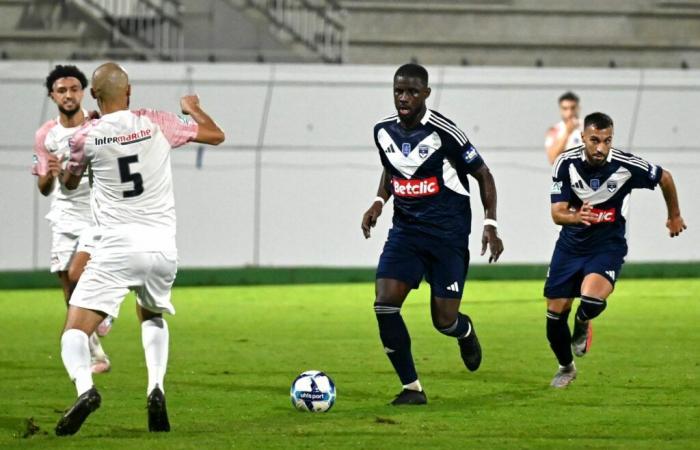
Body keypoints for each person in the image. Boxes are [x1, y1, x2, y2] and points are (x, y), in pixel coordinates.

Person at [55, 62, 225, 436]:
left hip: (117, 248)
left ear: (93, 97)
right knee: (150, 316)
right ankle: (156, 388)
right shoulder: (156, 122)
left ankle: (86, 391)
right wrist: (193, 108)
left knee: (74, 332)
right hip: (163, 249)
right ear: (129, 91)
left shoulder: (86, 135)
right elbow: (215, 135)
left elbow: (68, 184)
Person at [361, 63, 504, 406]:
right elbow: (392, 168)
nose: (404, 98)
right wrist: (379, 201)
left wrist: (491, 224)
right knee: (384, 304)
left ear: (426, 94)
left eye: (412, 92)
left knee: (444, 321)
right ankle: (412, 388)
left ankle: (464, 331)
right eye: (399, 91)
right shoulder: (382, 131)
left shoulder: (445, 131)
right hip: (406, 233)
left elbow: (483, 174)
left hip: (447, 237)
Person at [545, 112, 686, 388]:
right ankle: (566, 367)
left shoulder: (625, 165)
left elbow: (665, 178)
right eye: (595, 140)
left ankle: (583, 322)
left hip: (607, 246)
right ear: (583, 137)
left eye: (607, 141)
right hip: (571, 246)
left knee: (592, 300)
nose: (601, 147)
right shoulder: (565, 163)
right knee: (554, 316)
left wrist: (675, 215)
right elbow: (557, 213)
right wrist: (577, 217)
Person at [32, 65, 112, 373]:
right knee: (68, 288)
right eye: (61, 90)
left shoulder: (97, 124)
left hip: (96, 212)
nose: (68, 95)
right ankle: (97, 356)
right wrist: (49, 171)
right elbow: (43, 187)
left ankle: (106, 311)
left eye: (74, 88)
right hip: (64, 215)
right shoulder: (45, 134)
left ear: (83, 92)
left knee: (80, 275)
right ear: (52, 96)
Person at [545, 91, 582, 165]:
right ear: (561, 110)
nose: (569, 112)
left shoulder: (588, 128)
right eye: (565, 108)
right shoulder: (554, 130)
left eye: (572, 108)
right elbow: (552, 159)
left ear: (578, 108)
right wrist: (567, 133)